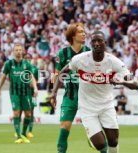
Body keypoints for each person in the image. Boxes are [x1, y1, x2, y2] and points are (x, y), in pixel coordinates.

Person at [51, 31, 138, 153]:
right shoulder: (80, 59)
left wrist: (121, 82)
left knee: (113, 141)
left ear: (105, 43)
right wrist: (54, 92)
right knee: (100, 144)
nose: (97, 44)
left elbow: (135, 84)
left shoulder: (114, 62)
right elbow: (63, 71)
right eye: (94, 41)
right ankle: (93, 138)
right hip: (87, 107)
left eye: (99, 41)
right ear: (90, 43)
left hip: (106, 105)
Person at [50, 23, 92, 153]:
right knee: (65, 126)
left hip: (88, 97)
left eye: (84, 31)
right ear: (72, 35)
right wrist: (54, 93)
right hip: (70, 96)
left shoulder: (89, 52)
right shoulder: (63, 53)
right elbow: (57, 74)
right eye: (80, 32)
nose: (84, 34)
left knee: (96, 132)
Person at [0, 43, 38, 144]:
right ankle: (18, 136)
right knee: (16, 113)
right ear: (13, 52)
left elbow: (32, 77)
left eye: (20, 50)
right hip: (14, 93)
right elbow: (3, 77)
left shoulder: (27, 64)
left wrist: (35, 88)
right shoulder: (9, 64)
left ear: (22, 51)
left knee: (28, 114)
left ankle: (23, 134)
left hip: (26, 92)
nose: (18, 52)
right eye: (16, 50)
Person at [23, 53, 39, 138]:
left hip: (32, 93)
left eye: (29, 58)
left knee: (31, 111)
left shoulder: (35, 69)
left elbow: (37, 81)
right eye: (26, 58)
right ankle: (22, 131)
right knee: (22, 110)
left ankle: (30, 131)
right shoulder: (21, 68)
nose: (27, 59)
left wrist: (34, 86)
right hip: (23, 92)